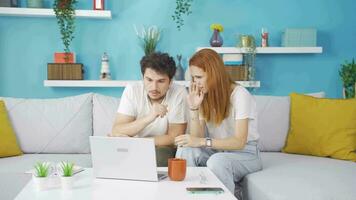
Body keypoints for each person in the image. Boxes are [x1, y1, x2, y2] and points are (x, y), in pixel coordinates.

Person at [175, 49, 262, 198]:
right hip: (218, 151)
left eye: (199, 77)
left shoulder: (240, 95)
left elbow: (239, 142)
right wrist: (194, 108)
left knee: (217, 161)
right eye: (193, 78)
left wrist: (200, 141)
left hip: (245, 153)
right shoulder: (204, 96)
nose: (195, 83)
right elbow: (197, 138)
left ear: (214, 74)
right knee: (186, 150)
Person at [111, 52, 188, 166]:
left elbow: (174, 138)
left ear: (170, 81)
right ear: (143, 78)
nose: (154, 87)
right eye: (149, 80)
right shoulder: (132, 90)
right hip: (131, 146)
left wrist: (137, 142)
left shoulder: (179, 92)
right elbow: (117, 130)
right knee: (112, 155)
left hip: (161, 147)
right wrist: (150, 117)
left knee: (160, 156)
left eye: (161, 81)